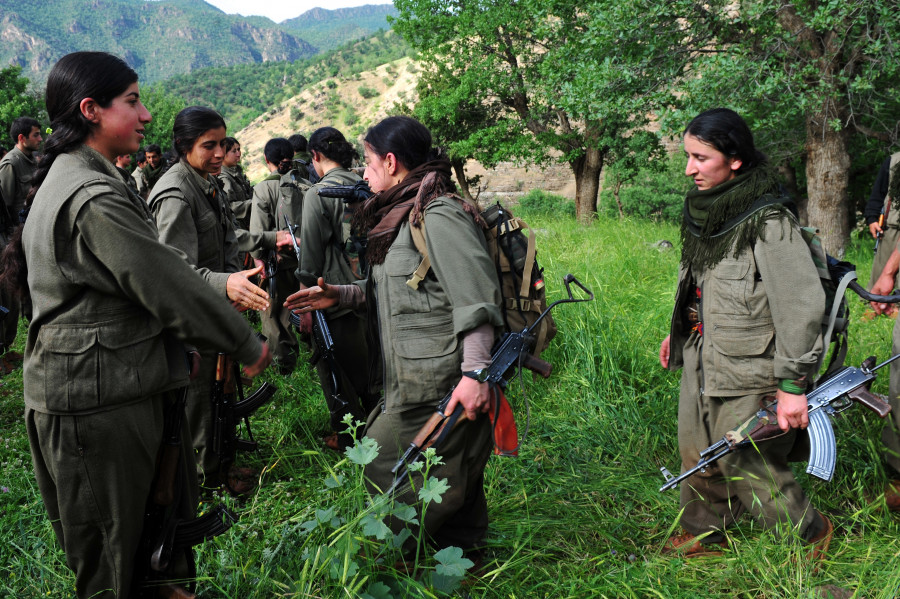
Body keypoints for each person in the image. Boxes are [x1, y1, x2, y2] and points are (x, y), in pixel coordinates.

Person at [0, 51, 271, 599]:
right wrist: (244, 342)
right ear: (91, 110)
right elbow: (163, 279)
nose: (147, 116)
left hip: (114, 387)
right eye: (133, 102)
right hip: (95, 405)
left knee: (153, 546)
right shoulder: (90, 195)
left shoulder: (91, 177)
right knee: (115, 565)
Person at [286, 115, 503, 561]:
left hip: (439, 381)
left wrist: (475, 374)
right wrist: (339, 295)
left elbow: (475, 300)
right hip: (411, 378)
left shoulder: (439, 215)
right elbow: (403, 292)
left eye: (367, 162)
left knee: (383, 462)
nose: (362, 174)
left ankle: (397, 563)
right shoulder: (402, 215)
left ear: (391, 161)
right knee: (449, 468)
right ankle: (462, 560)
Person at [658, 108, 832, 558]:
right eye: (688, 156)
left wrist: (793, 385)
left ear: (734, 159)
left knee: (744, 457)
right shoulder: (705, 210)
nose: (689, 168)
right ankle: (704, 531)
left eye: (700, 157)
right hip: (701, 350)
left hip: (752, 361)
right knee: (696, 449)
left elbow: (800, 306)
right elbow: (697, 282)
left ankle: (808, 533)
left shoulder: (767, 220)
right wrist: (678, 331)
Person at [148, 106, 270, 495]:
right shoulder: (175, 193)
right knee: (201, 405)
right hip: (193, 320)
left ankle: (222, 464)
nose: (220, 153)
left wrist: (237, 277)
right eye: (209, 145)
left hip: (214, 312)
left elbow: (227, 238)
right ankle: (208, 482)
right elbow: (173, 272)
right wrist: (225, 285)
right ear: (184, 146)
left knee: (222, 395)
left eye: (222, 144)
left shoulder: (205, 181)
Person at [296, 126, 377, 449]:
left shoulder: (317, 195)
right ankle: (378, 427)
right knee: (371, 369)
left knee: (336, 373)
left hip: (334, 299)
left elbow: (310, 259)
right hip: (370, 293)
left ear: (315, 156)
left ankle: (350, 439)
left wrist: (304, 306)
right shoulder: (367, 186)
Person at [249, 137, 309, 374]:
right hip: (307, 260)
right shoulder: (306, 184)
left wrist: (257, 259)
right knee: (307, 308)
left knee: (274, 316)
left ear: (267, 160)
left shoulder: (263, 188)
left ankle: (284, 367)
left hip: (278, 263)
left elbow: (257, 232)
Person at [0, 115, 42, 368]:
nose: (40, 138)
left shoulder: (33, 161)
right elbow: (4, 206)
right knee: (12, 291)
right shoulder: (10, 164)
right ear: (21, 138)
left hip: (31, 234)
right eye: (36, 134)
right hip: (15, 238)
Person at [864, 153, 900, 299]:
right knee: (881, 268)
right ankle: (874, 302)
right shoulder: (894, 160)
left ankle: (895, 304)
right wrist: (872, 218)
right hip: (891, 226)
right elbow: (879, 192)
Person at [217, 136, 254, 229]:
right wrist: (254, 203)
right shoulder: (224, 177)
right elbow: (231, 207)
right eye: (234, 151)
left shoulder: (236, 172)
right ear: (224, 154)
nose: (238, 154)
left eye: (239, 150)